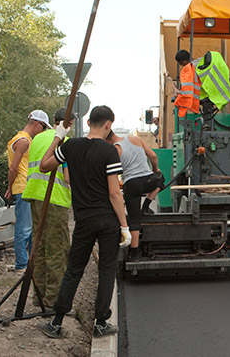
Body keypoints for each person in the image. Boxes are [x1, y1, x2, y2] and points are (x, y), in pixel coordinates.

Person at [37, 106, 131, 339]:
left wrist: (58, 136)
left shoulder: (70, 146)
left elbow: (44, 165)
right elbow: (114, 194)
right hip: (108, 221)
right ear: (108, 125)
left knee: (73, 271)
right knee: (107, 270)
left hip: (84, 220)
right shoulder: (109, 152)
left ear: (88, 122)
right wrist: (125, 226)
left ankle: (57, 323)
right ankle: (100, 323)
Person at [22, 108, 75, 308]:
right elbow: (68, 177)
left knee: (39, 247)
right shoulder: (65, 143)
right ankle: (54, 301)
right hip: (54, 198)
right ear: (69, 125)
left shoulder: (37, 139)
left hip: (35, 196)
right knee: (57, 250)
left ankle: (39, 296)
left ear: (53, 121)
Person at [105, 130, 164, 261]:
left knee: (134, 219)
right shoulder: (135, 139)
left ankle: (135, 253)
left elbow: (114, 172)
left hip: (131, 184)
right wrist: (155, 170)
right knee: (161, 180)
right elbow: (153, 156)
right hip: (148, 180)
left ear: (107, 140)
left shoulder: (115, 150)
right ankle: (146, 206)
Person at [6, 110, 51, 272]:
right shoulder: (23, 141)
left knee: (31, 229)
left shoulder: (23, 139)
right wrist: (10, 187)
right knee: (24, 229)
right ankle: (22, 265)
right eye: (44, 127)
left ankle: (31, 264)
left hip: (27, 188)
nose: (44, 131)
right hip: (23, 188)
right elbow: (13, 168)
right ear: (36, 124)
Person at [174, 49, 202, 117]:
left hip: (198, 97)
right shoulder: (201, 62)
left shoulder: (188, 69)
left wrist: (175, 89)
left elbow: (186, 92)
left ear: (183, 62)